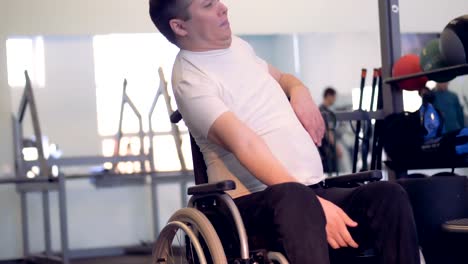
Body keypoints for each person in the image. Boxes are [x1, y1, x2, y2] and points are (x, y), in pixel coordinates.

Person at [148, 1, 420, 263]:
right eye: (208, 4)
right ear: (180, 26)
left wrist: (298, 89)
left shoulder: (238, 48)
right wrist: (312, 203)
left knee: (387, 196)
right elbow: (245, 144)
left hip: (309, 193)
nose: (223, 6)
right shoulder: (191, 79)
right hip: (253, 208)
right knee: (296, 199)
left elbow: (283, 78)